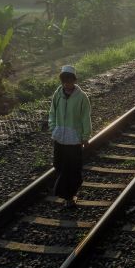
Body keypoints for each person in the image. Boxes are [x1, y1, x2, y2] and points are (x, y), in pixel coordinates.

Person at [48, 65, 92, 207]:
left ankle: (69, 196)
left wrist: (85, 136)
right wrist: (53, 128)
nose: (67, 83)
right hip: (60, 138)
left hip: (74, 140)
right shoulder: (57, 94)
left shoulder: (82, 97)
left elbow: (86, 117)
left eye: (69, 80)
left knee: (72, 168)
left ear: (74, 80)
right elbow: (52, 113)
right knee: (59, 165)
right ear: (62, 80)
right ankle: (66, 193)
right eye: (64, 80)